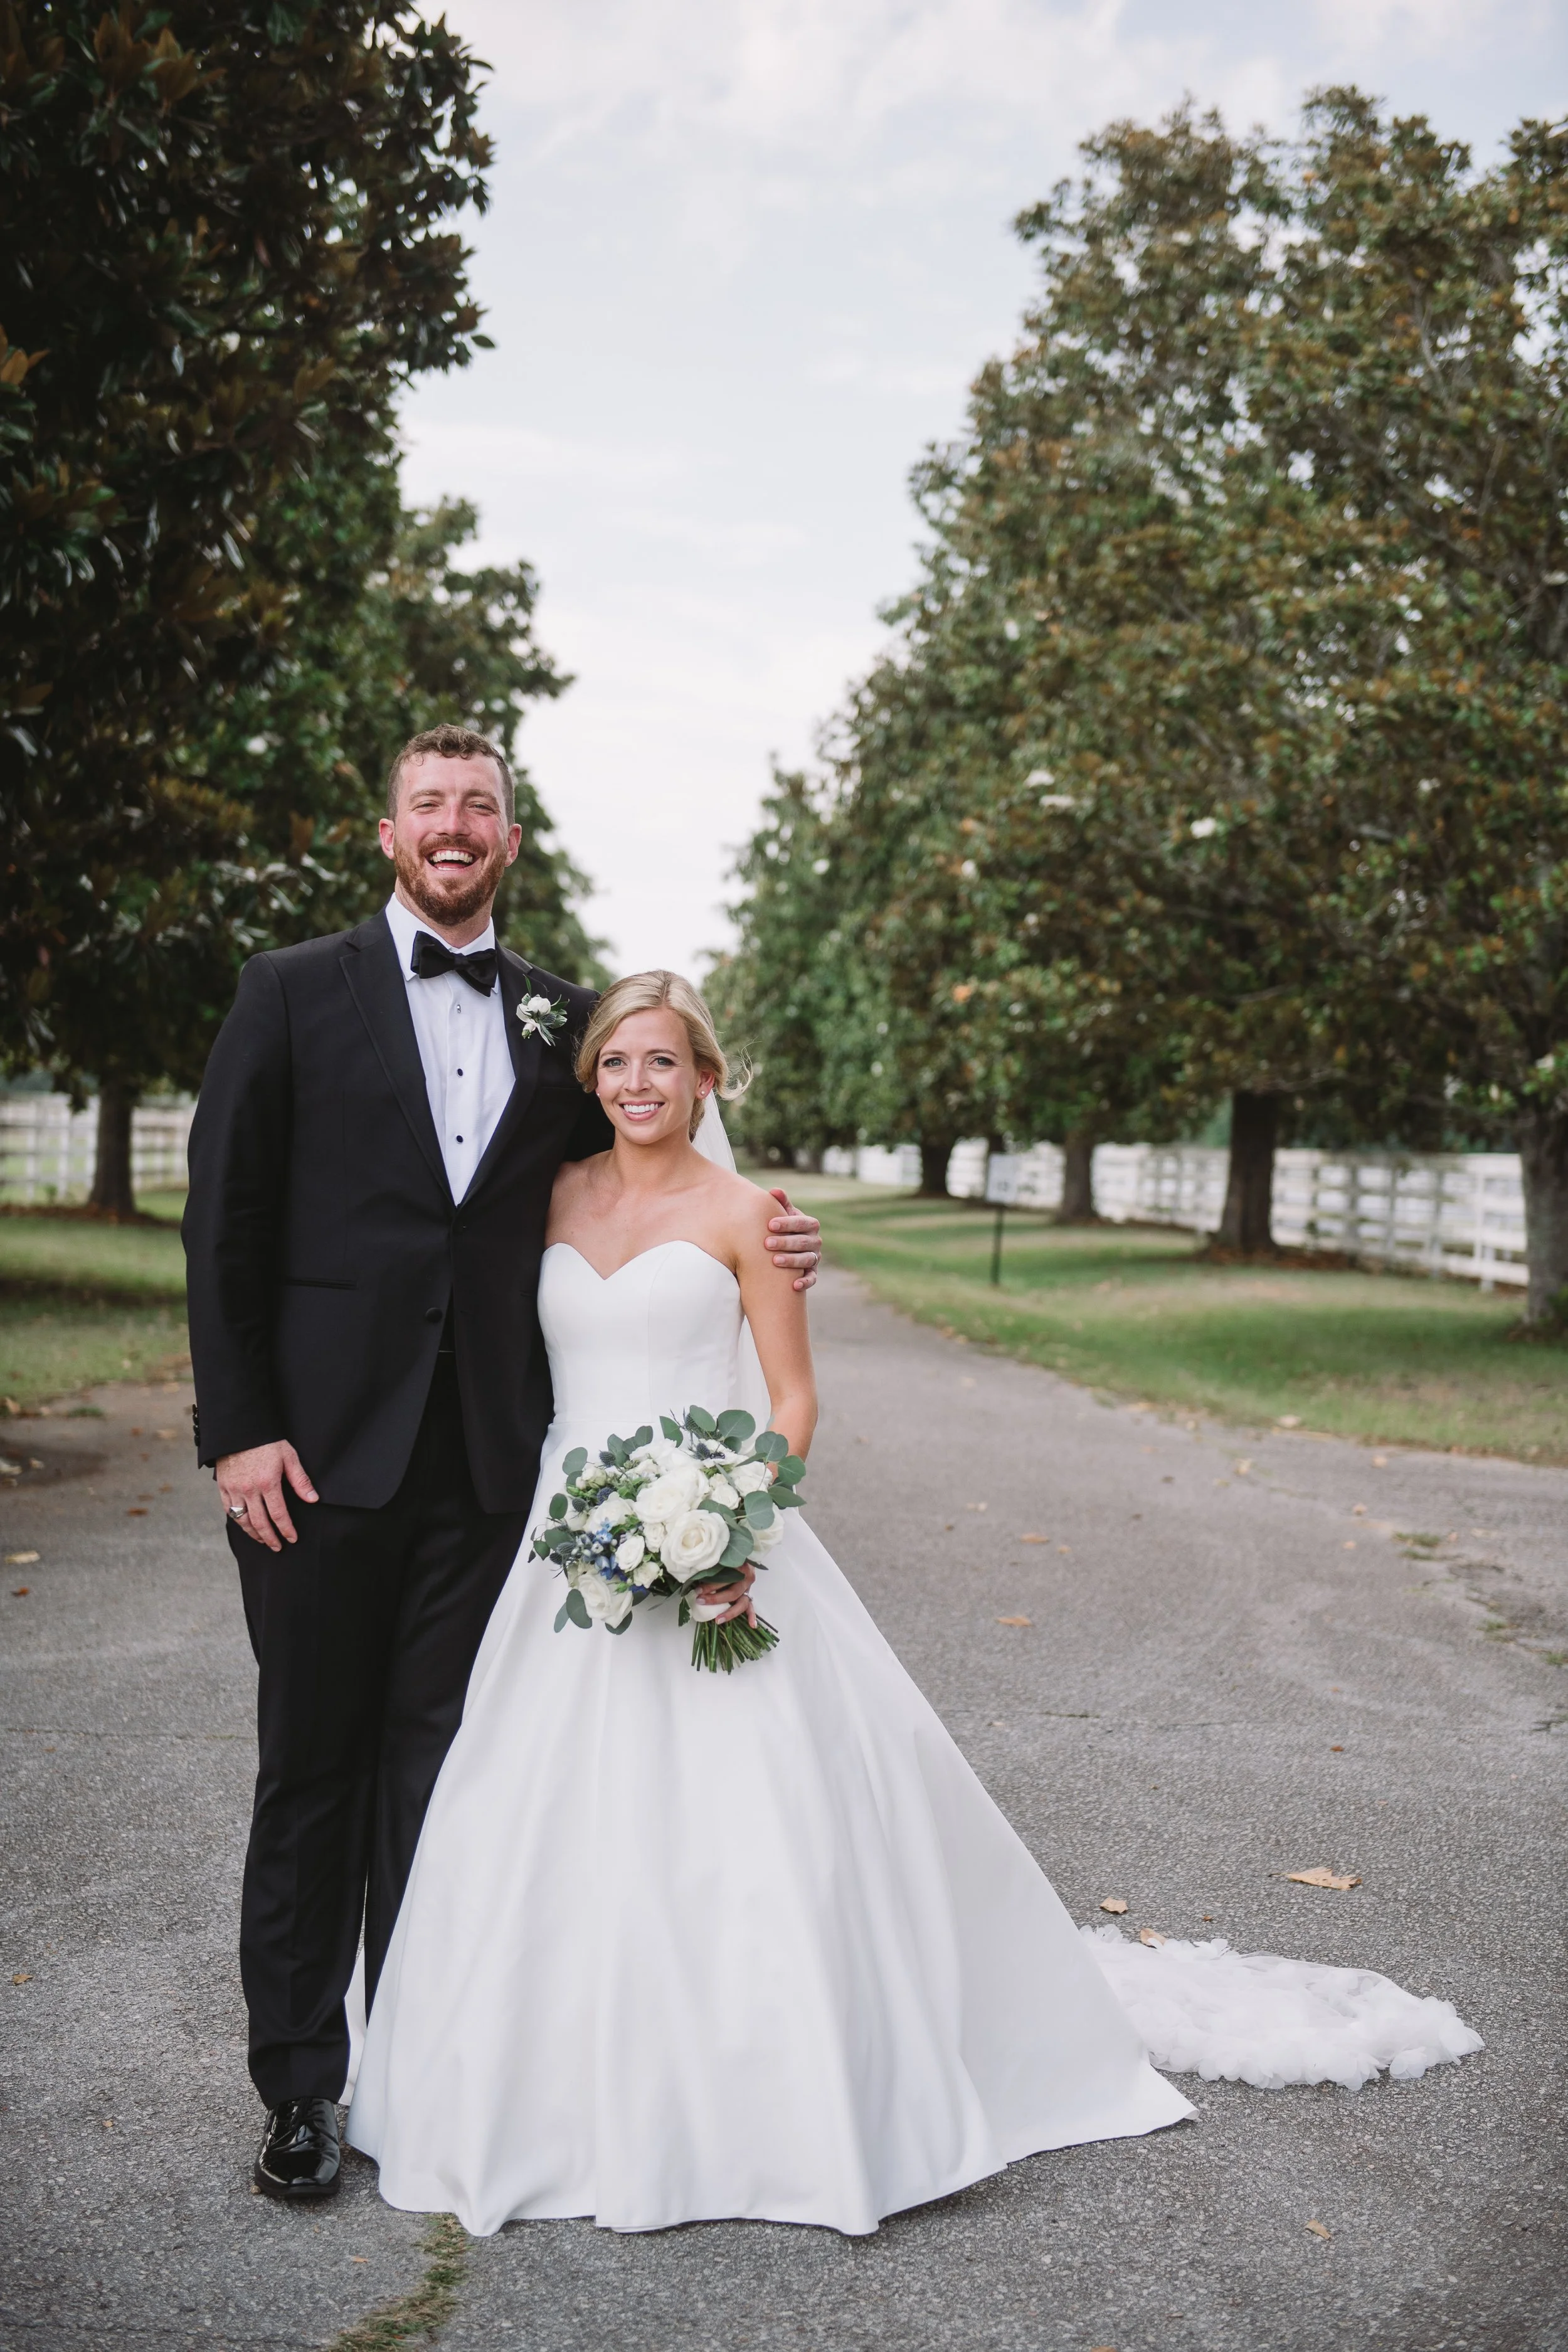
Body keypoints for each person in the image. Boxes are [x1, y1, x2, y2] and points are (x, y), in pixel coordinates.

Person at [346, 971, 1479, 2238]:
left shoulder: (750, 1216)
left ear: (705, 1079)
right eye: (615, 1064)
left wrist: (736, 1528)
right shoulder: (547, 1197)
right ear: (591, 1079)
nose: (636, 1085)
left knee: (750, 1833)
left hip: (716, 1531)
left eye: (662, 1063)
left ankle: (773, 2101)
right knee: (529, 1814)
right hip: (569, 1542)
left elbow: (791, 1399)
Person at [181, 728, 822, 2202]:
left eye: (480, 806)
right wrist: (238, 1430)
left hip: (493, 1475)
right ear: (389, 831)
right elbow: (226, 1223)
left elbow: (655, 1177)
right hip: (314, 1463)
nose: (454, 826)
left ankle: (416, 2062)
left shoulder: (564, 1020)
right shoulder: (287, 992)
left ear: (510, 841)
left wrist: (780, 1240)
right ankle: (298, 2088)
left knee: (442, 1773)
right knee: (312, 1769)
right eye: (430, 806)